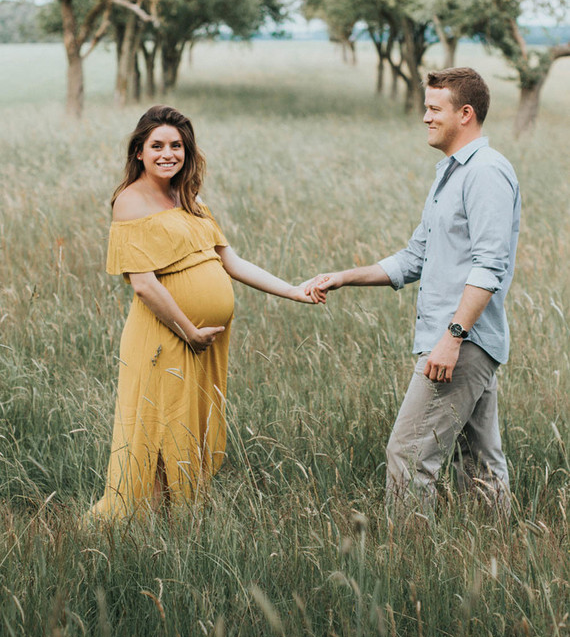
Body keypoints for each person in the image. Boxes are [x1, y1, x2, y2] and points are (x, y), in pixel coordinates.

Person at [306, 68, 521, 516]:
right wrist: (344, 276)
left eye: (433, 108)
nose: (425, 117)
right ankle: (500, 549)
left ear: (465, 114)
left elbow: (489, 266)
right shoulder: (451, 174)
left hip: (461, 343)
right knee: (479, 464)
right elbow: (414, 259)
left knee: (408, 456)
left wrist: (451, 337)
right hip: (459, 341)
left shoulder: (485, 173)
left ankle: (409, 567)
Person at [89, 105, 313, 519]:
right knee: (158, 430)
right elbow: (144, 284)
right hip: (166, 335)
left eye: (176, 145)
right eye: (157, 145)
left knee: (189, 426)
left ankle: (177, 521)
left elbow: (234, 262)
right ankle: (138, 527)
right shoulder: (130, 202)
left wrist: (293, 291)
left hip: (203, 339)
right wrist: (189, 330)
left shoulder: (190, 198)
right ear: (139, 151)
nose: (167, 153)